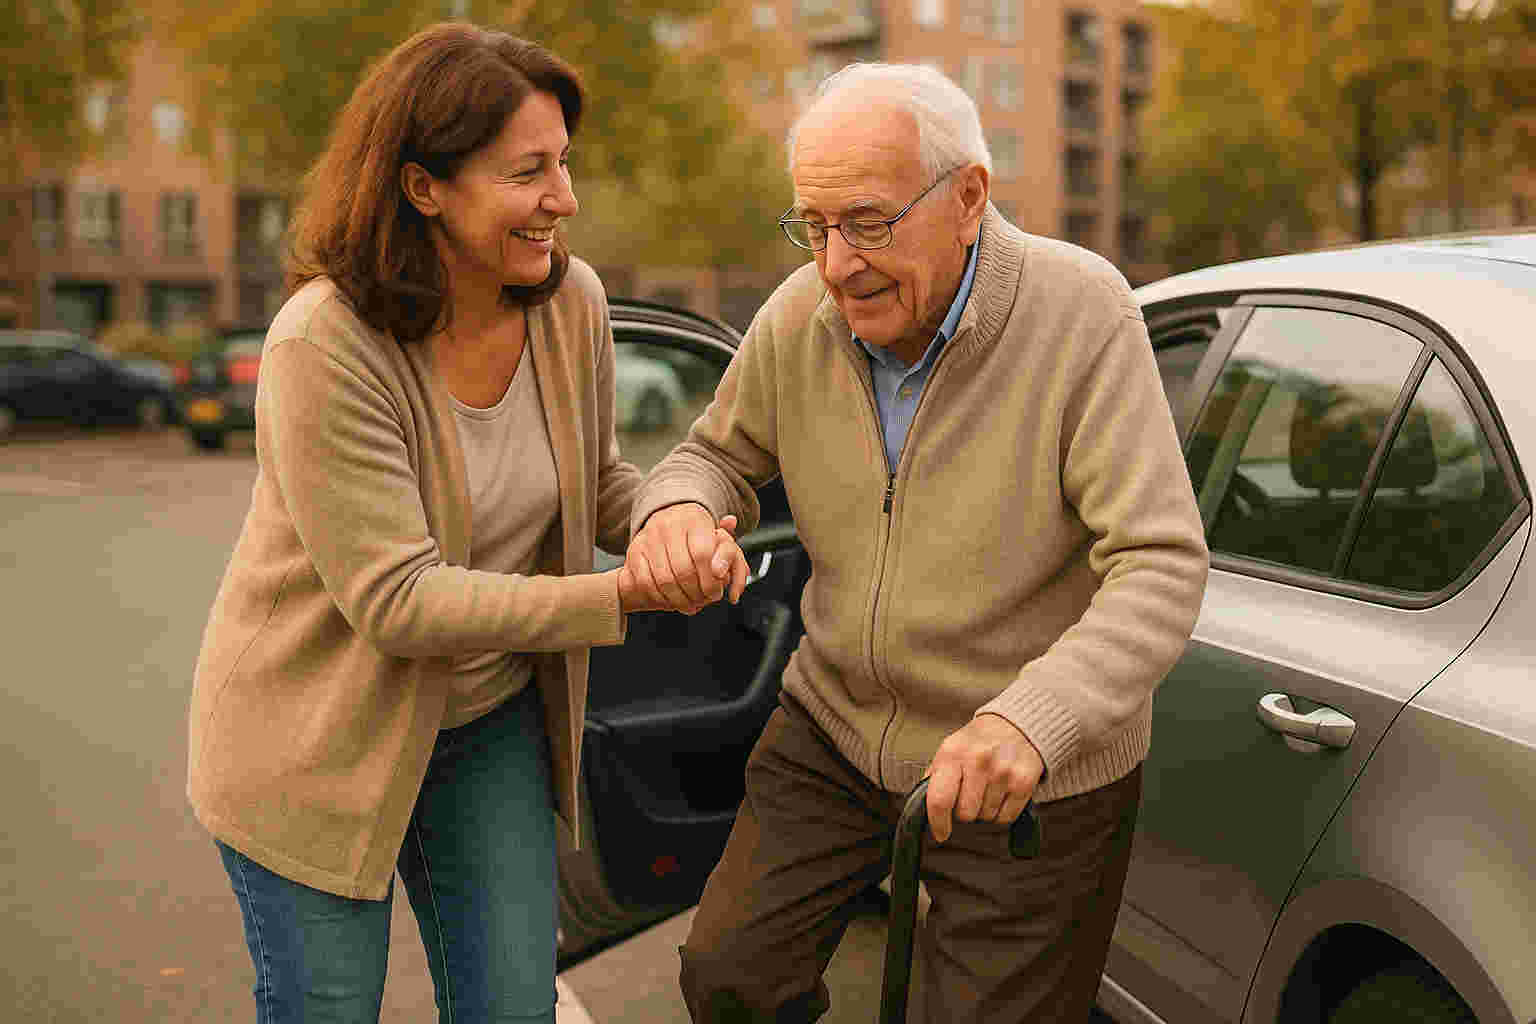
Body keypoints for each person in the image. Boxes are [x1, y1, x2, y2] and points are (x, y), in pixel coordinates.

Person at [623, 62, 1210, 1022]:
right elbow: (708, 455)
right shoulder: (795, 319)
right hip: (837, 730)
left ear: (969, 196)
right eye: (812, 227)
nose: (834, 264)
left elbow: (1160, 563)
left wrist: (1032, 720)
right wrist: (677, 511)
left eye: (867, 221)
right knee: (728, 977)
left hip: (1029, 766)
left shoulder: (1084, 313)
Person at [185, 23, 743, 1024]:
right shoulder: (325, 343)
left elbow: (597, 476)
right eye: (529, 171)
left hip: (482, 725)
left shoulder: (570, 301)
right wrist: (626, 593)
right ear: (423, 187)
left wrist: (678, 514)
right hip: (313, 740)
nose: (565, 200)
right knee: (328, 1008)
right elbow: (399, 600)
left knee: (512, 1006)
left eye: (563, 164)